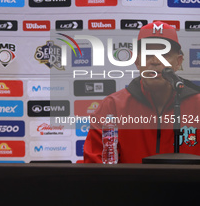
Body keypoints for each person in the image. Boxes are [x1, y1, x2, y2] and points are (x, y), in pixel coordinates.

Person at [84, 21, 200, 163]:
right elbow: (95, 170)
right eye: (148, 53)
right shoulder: (112, 107)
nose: (156, 61)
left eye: (164, 53)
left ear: (178, 62)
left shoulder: (198, 105)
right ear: (137, 61)